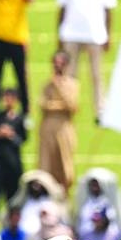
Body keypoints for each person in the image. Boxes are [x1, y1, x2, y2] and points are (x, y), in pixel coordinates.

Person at [56, 0, 116, 122]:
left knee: (96, 74)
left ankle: (100, 110)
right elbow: (62, 9)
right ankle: (69, 105)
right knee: (70, 75)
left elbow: (108, 10)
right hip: (71, 34)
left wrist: (108, 35)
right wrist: (59, 34)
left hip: (94, 34)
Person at [37, 50, 79, 192]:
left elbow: (72, 106)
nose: (57, 67)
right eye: (55, 64)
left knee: (65, 167)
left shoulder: (72, 84)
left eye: (60, 64)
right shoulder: (46, 85)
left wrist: (59, 89)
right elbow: (43, 105)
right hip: (48, 128)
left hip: (64, 128)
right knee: (46, 166)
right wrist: (58, 105)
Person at [0, 88, 28, 215]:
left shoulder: (20, 118)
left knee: (13, 195)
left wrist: (10, 135)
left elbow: (22, 139)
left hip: (14, 162)